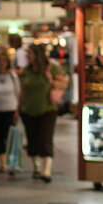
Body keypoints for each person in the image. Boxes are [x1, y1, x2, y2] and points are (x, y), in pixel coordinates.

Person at [19, 43, 65, 183]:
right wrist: (18, 108)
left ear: (37, 55)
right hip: (28, 110)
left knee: (45, 138)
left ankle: (47, 170)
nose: (27, 55)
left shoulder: (52, 68)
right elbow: (22, 91)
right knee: (32, 139)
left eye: (30, 53)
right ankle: (36, 168)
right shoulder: (26, 71)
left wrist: (50, 79)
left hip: (47, 109)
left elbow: (63, 85)